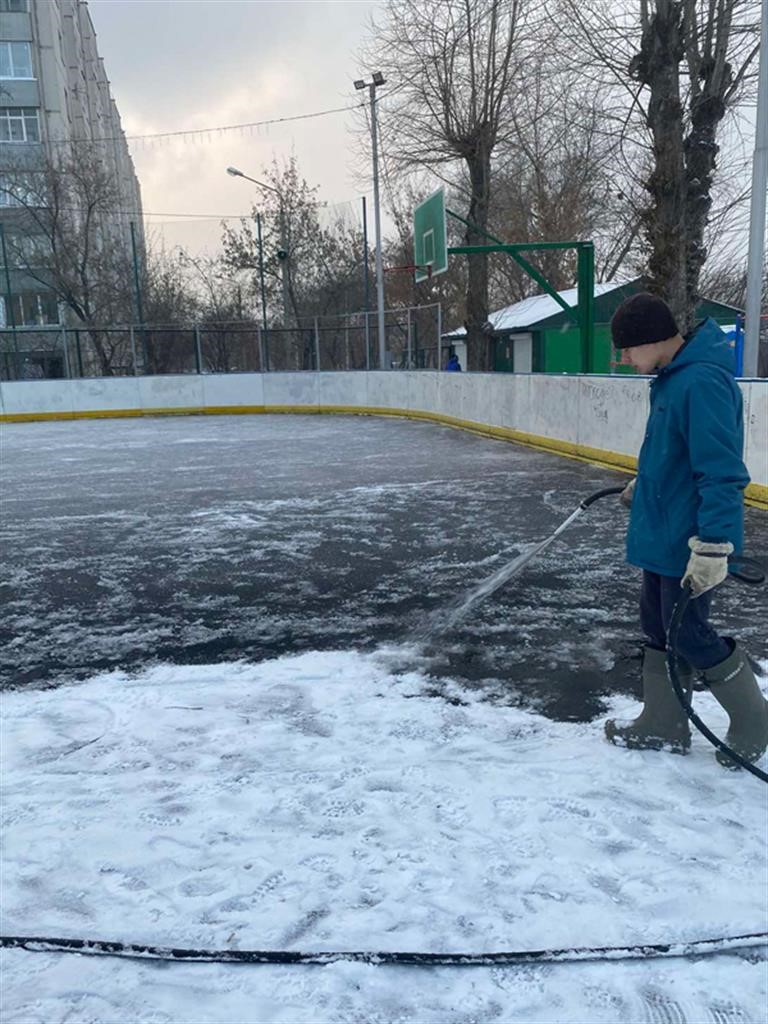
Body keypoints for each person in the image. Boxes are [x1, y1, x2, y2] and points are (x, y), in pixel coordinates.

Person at [604, 292, 767, 768]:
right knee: (657, 626)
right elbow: (677, 451)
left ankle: (755, 720)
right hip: (663, 535)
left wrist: (715, 545)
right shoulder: (672, 380)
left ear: (652, 340)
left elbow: (721, 472)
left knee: (691, 633)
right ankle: (664, 722)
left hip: (689, 541)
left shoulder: (702, 383)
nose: (626, 360)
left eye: (628, 351)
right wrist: (648, 479)